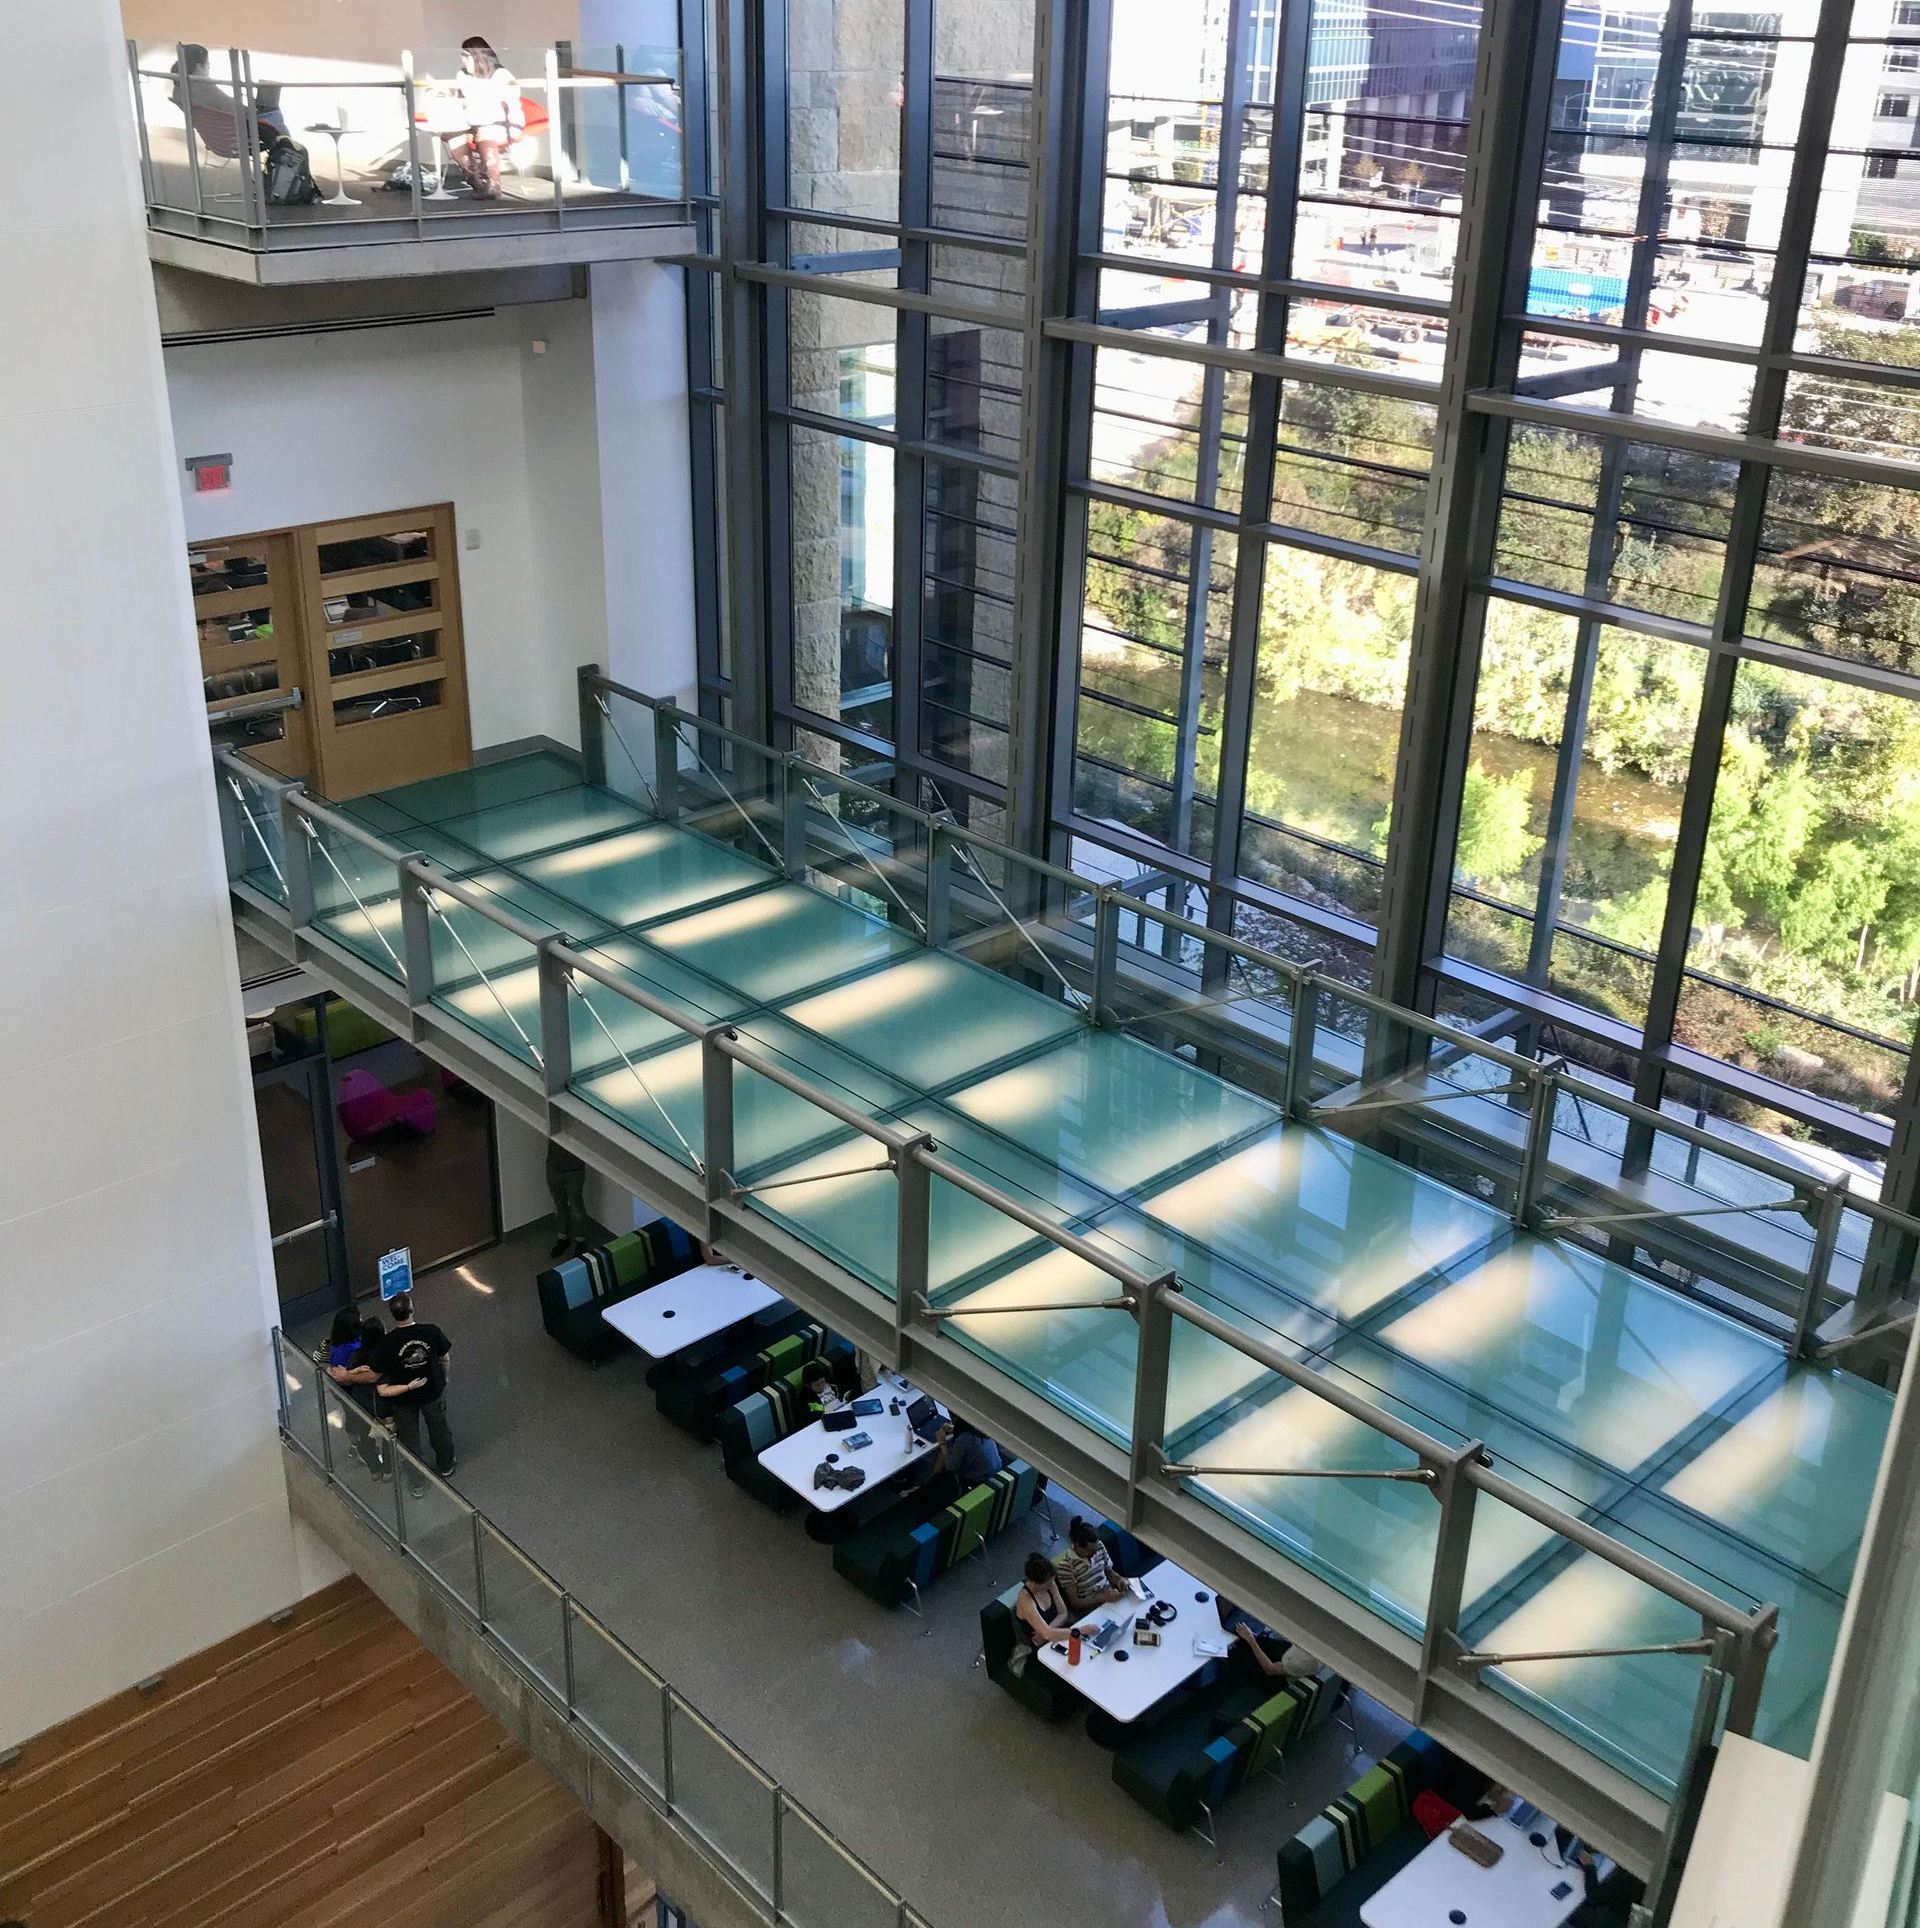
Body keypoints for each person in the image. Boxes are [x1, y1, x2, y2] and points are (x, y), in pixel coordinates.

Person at [368, 1292, 455, 1488]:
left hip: (403, 1400)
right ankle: (446, 1465)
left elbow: (376, 1373)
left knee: (410, 1441)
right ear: (412, 1310)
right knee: (439, 1429)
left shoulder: (387, 1343)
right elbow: (444, 1358)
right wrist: (444, 1378)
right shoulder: (431, 1332)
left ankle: (416, 1482)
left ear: (392, 1315)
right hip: (431, 1391)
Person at [447, 38, 525, 200]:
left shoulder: (501, 75)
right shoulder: (462, 75)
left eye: (465, 55)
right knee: (453, 135)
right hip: (471, 121)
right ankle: (475, 179)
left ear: (477, 56)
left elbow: (507, 104)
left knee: (485, 131)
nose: (462, 59)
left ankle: (493, 183)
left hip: (502, 123)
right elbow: (459, 99)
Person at [321, 1307, 387, 1480]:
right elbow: (368, 1376)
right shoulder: (354, 1349)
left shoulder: (336, 1343)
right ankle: (365, 1450)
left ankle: (357, 1445)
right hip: (352, 1393)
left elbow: (330, 1367)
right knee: (361, 1424)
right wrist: (352, 1373)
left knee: (351, 1418)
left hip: (341, 1391)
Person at [1011, 1550, 1086, 1668]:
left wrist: (1047, 1630)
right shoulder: (1025, 1599)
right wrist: (1079, 1631)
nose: (1052, 1585)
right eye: (1048, 1583)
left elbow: (1063, 1614)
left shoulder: (1050, 1584)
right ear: (1035, 1582)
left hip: (1055, 1635)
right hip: (1039, 1648)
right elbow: (1046, 1636)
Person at [1055, 1516, 1128, 1614]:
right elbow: (1075, 1603)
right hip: (1092, 1610)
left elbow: (1109, 1572)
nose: (1094, 1553)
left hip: (1111, 1599)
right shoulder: (1066, 1566)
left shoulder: (1099, 1546)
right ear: (1077, 1545)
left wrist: (1119, 1580)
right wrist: (1102, 1598)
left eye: (1095, 1549)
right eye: (1090, 1551)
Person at [1232, 1620, 1327, 1681]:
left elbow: (1270, 1669)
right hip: (1286, 1648)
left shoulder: (1299, 1662)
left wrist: (1250, 1639)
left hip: (1276, 1668)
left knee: (1239, 1652)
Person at [545, 1139, 589, 1260]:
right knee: (559, 1205)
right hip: (554, 1167)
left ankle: (581, 1240)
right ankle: (563, 1238)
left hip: (574, 1170)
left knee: (576, 1207)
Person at [932, 1416, 1003, 1489]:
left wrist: (942, 1443)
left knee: (942, 1453)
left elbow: (951, 1467)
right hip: (996, 1469)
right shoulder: (982, 1427)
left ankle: (933, 1484)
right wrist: (954, 1429)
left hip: (979, 1479)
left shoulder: (964, 1438)